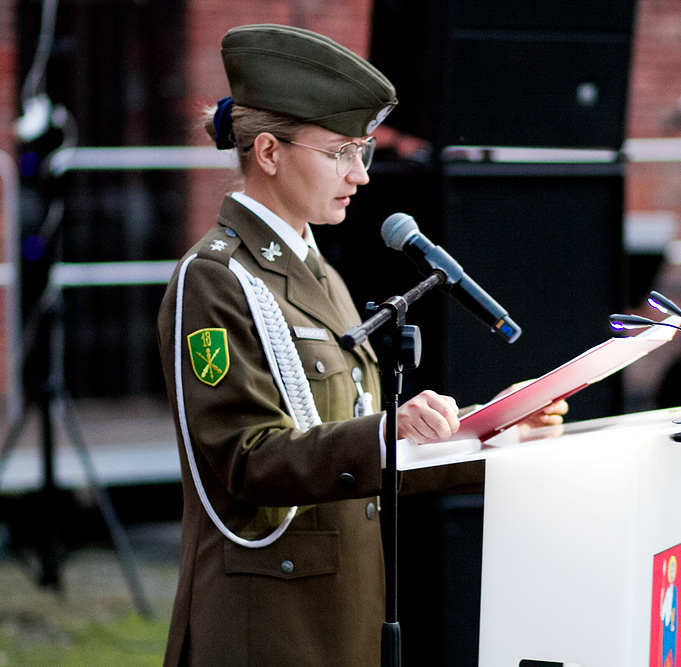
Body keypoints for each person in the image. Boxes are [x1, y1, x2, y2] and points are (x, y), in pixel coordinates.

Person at [157, 24, 566, 666]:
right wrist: (387, 431)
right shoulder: (214, 278)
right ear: (268, 151)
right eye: (341, 152)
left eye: (364, 150)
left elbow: (361, 446)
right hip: (268, 627)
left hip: (342, 614)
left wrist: (493, 432)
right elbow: (245, 461)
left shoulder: (320, 272)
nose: (361, 175)